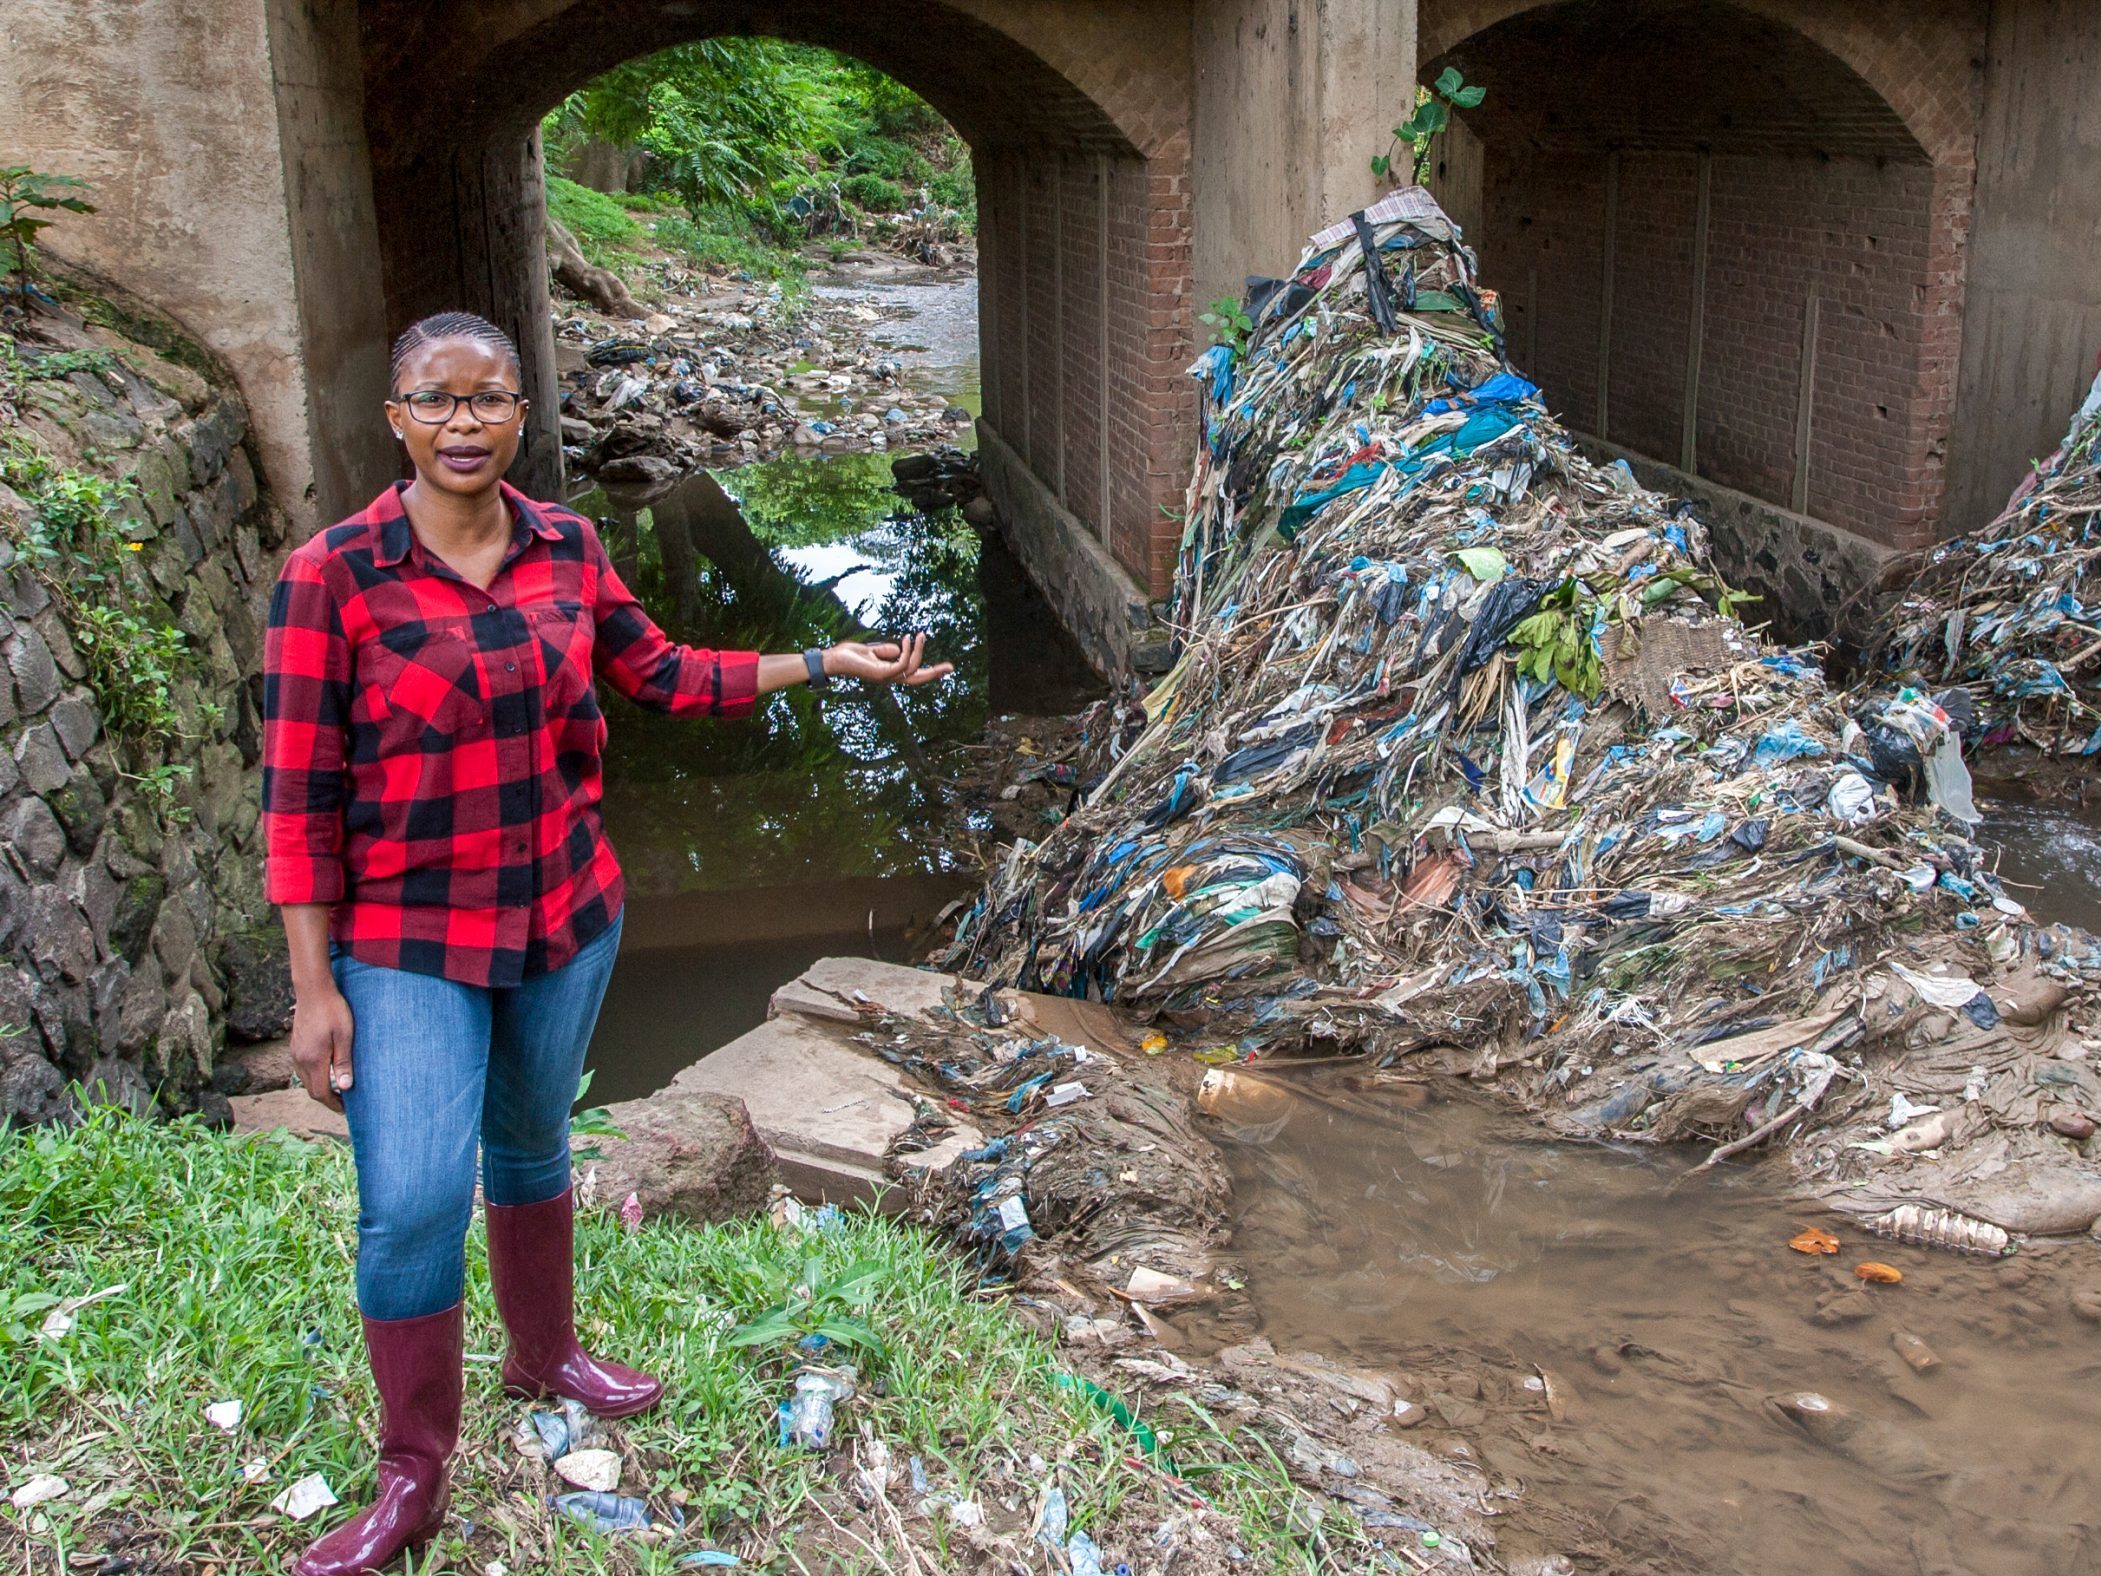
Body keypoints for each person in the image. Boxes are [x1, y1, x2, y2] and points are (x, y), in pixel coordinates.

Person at [262, 310, 950, 1576]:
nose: (464, 423)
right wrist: (315, 987)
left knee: (529, 1145)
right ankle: (413, 1473)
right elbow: (299, 799)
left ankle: (545, 1353)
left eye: (488, 399)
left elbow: (667, 673)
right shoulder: (332, 575)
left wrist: (825, 661)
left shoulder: (568, 547)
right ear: (397, 420)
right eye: (438, 400)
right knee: (411, 1197)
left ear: (523, 413)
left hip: (566, 911)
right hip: (406, 936)